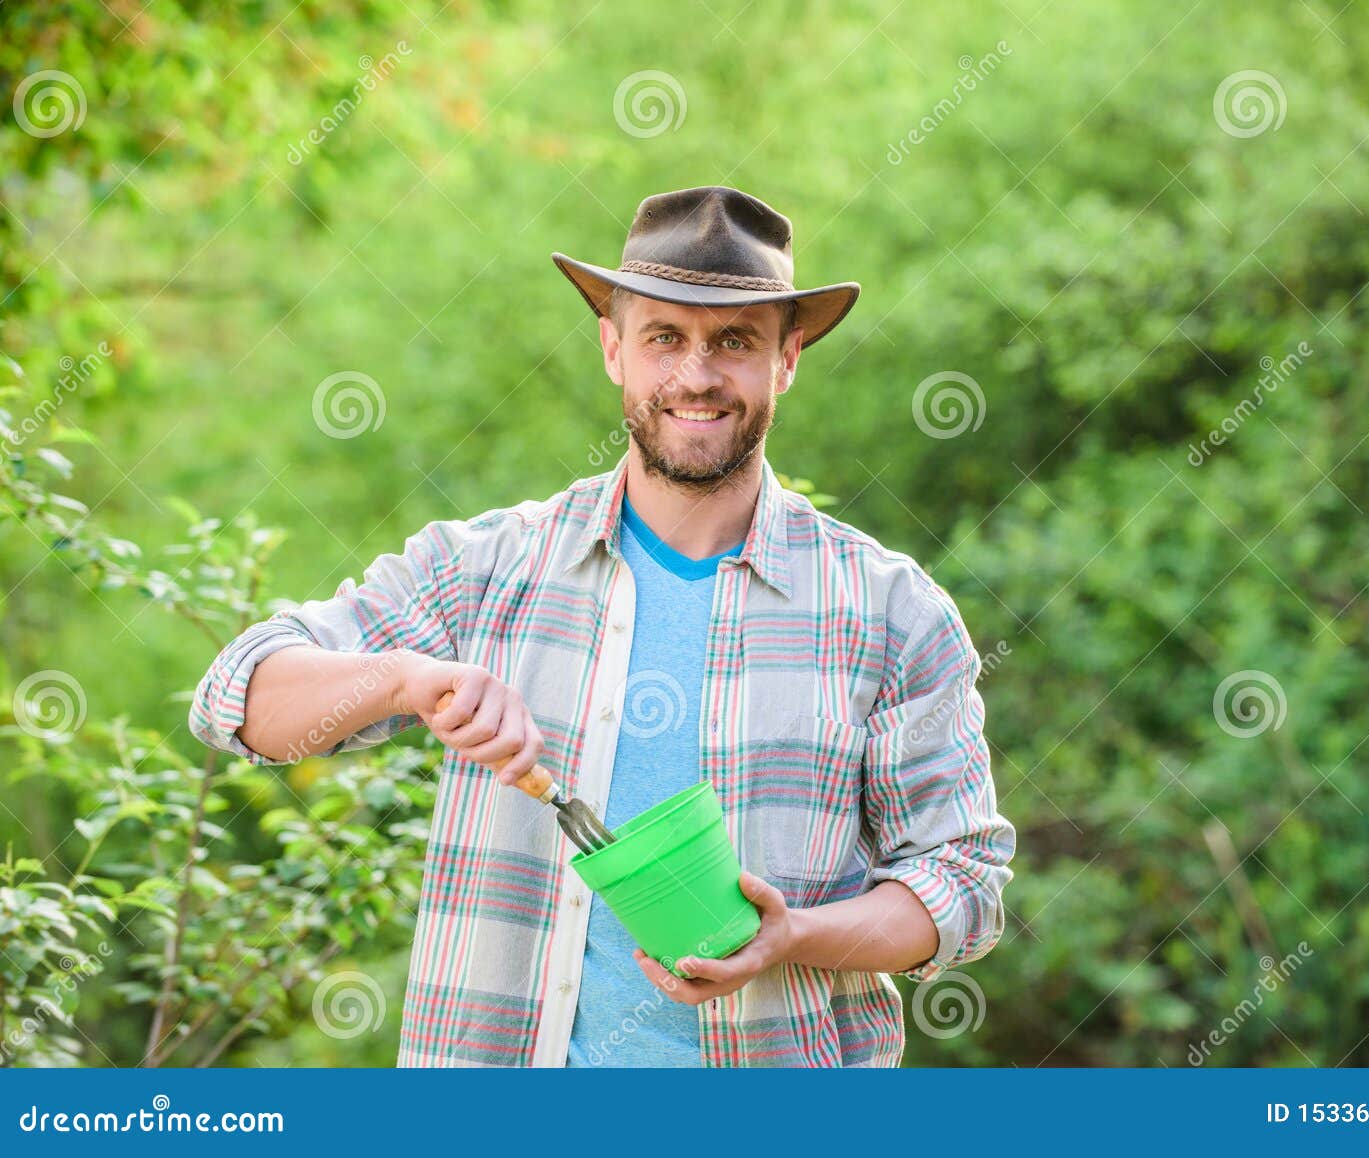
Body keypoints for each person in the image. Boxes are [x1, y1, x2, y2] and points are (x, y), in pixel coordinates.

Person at [190, 185, 1015, 1067]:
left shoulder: (890, 612)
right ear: (614, 348)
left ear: (788, 359)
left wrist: (792, 936)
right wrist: (405, 680)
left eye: (734, 341)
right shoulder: (485, 570)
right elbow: (236, 697)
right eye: (665, 337)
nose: (695, 374)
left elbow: (960, 885)